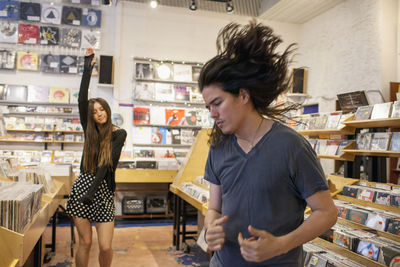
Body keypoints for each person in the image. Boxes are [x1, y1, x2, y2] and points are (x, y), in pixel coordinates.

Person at [199, 20, 338, 266]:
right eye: (208, 106)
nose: (212, 113)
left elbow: (327, 213)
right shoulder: (219, 146)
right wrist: (210, 227)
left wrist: (281, 245)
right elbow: (215, 208)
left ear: (243, 95)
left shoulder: (291, 146)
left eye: (217, 103)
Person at [66, 48, 127, 267]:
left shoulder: (118, 134)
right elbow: (82, 99)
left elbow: (106, 164)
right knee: (85, 243)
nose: (99, 113)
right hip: (83, 189)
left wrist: (92, 193)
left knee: (105, 246)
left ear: (107, 110)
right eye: (95, 111)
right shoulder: (88, 130)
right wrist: (87, 67)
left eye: (102, 109)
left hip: (101, 192)